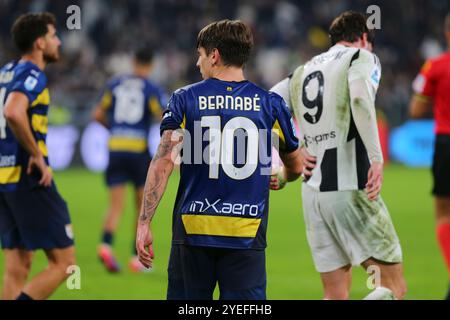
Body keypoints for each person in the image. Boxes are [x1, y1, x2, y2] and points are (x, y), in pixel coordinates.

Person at [136, 19, 303, 299]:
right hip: (246, 233)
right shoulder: (271, 104)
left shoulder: (184, 98)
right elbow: (297, 166)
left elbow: (164, 161)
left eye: (200, 55)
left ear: (214, 55)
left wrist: (144, 222)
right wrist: (282, 178)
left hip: (193, 230)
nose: (198, 63)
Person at [270, 11, 407, 300]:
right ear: (364, 38)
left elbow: (265, 107)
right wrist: (377, 158)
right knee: (392, 287)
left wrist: (290, 152)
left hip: (313, 195)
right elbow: (359, 97)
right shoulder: (361, 57)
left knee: (335, 294)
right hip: (349, 184)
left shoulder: (301, 71)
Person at [0, 12, 76, 300]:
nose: (59, 41)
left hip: (4, 179)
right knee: (65, 264)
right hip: (27, 178)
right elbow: (12, 112)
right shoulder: (33, 74)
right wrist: (37, 155)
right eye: (54, 35)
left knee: (18, 266)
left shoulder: (6, 71)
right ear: (40, 43)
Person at [92, 47, 165, 273]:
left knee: (115, 206)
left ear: (133, 60)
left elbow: (97, 115)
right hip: (138, 150)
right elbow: (163, 116)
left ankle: (105, 245)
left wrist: (115, 130)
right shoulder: (151, 87)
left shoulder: (115, 83)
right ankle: (136, 259)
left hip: (116, 148)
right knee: (140, 207)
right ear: (151, 64)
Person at [410, 12, 450, 300]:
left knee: (444, 213)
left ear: (447, 33)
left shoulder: (435, 66)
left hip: (445, 141)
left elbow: (415, 110)